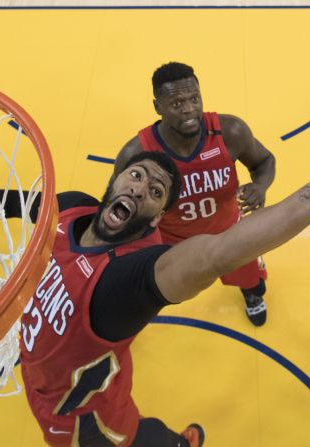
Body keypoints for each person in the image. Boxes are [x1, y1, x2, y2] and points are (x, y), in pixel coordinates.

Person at [0, 129, 310, 446]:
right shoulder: (71, 207)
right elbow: (10, 203)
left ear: (157, 218)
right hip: (36, 368)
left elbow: (217, 254)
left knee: (138, 437)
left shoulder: (131, 277)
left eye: (156, 191)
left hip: (83, 418)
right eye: (137, 176)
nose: (141, 188)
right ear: (116, 180)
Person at [113, 61, 276, 326]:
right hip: (172, 244)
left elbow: (265, 161)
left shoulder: (230, 131)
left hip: (229, 234)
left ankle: (252, 296)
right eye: (177, 104)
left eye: (194, 99)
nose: (189, 109)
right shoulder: (137, 153)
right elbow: (117, 208)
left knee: (251, 282)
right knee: (158, 295)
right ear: (158, 107)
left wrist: (260, 187)